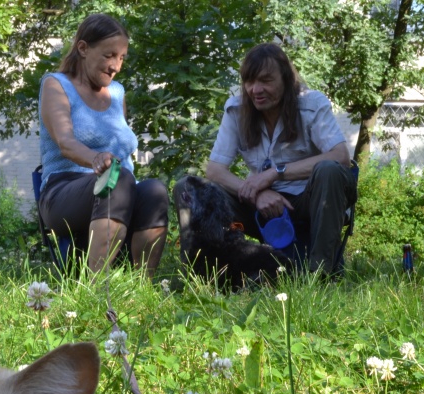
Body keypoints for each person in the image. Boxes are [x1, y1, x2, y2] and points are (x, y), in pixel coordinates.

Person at [197, 43, 357, 275]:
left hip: (307, 200)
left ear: (286, 80)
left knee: (329, 170)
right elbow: (214, 170)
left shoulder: (312, 104)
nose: (255, 89)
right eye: (249, 81)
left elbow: (341, 157)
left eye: (265, 80)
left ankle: (321, 275)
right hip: (258, 205)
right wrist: (257, 192)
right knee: (191, 189)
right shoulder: (236, 110)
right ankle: (211, 275)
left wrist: (274, 173)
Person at [38, 13, 168, 276]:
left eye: (121, 58)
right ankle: (96, 288)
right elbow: (66, 143)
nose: (116, 66)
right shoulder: (56, 85)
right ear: (83, 48)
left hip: (118, 187)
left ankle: (142, 288)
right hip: (63, 190)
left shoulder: (118, 92)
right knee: (116, 177)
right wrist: (96, 158)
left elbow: (122, 148)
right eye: (109, 55)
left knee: (155, 190)